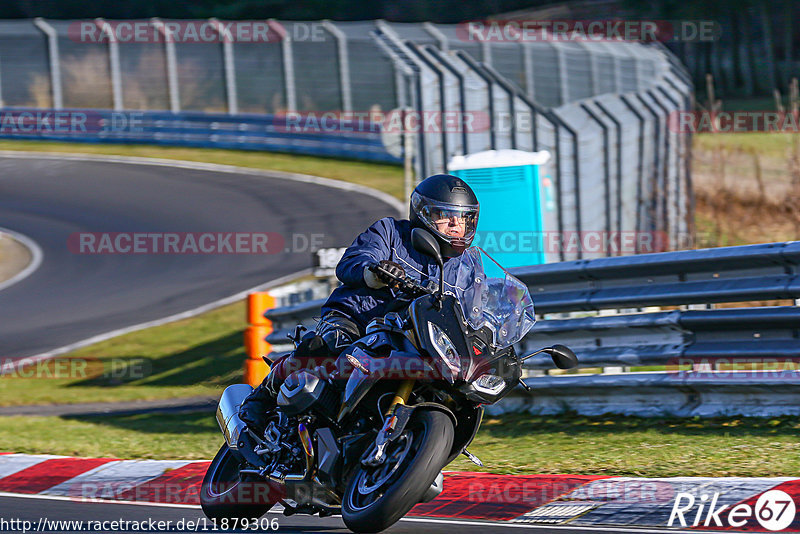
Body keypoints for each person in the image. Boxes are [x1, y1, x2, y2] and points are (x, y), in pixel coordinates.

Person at [239, 174, 480, 435]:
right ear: (423, 213)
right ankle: (262, 396)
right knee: (329, 345)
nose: (456, 226)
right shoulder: (390, 232)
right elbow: (353, 260)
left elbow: (476, 312)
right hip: (358, 318)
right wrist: (374, 272)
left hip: (413, 338)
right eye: (446, 216)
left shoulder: (469, 268)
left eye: (464, 219)